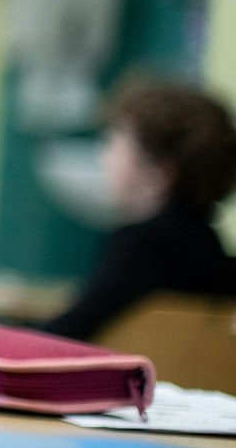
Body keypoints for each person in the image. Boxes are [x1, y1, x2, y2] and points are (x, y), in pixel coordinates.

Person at [43, 80, 236, 341]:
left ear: (157, 175)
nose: (105, 157)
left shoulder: (139, 248)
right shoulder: (212, 251)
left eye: (114, 144)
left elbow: (67, 334)